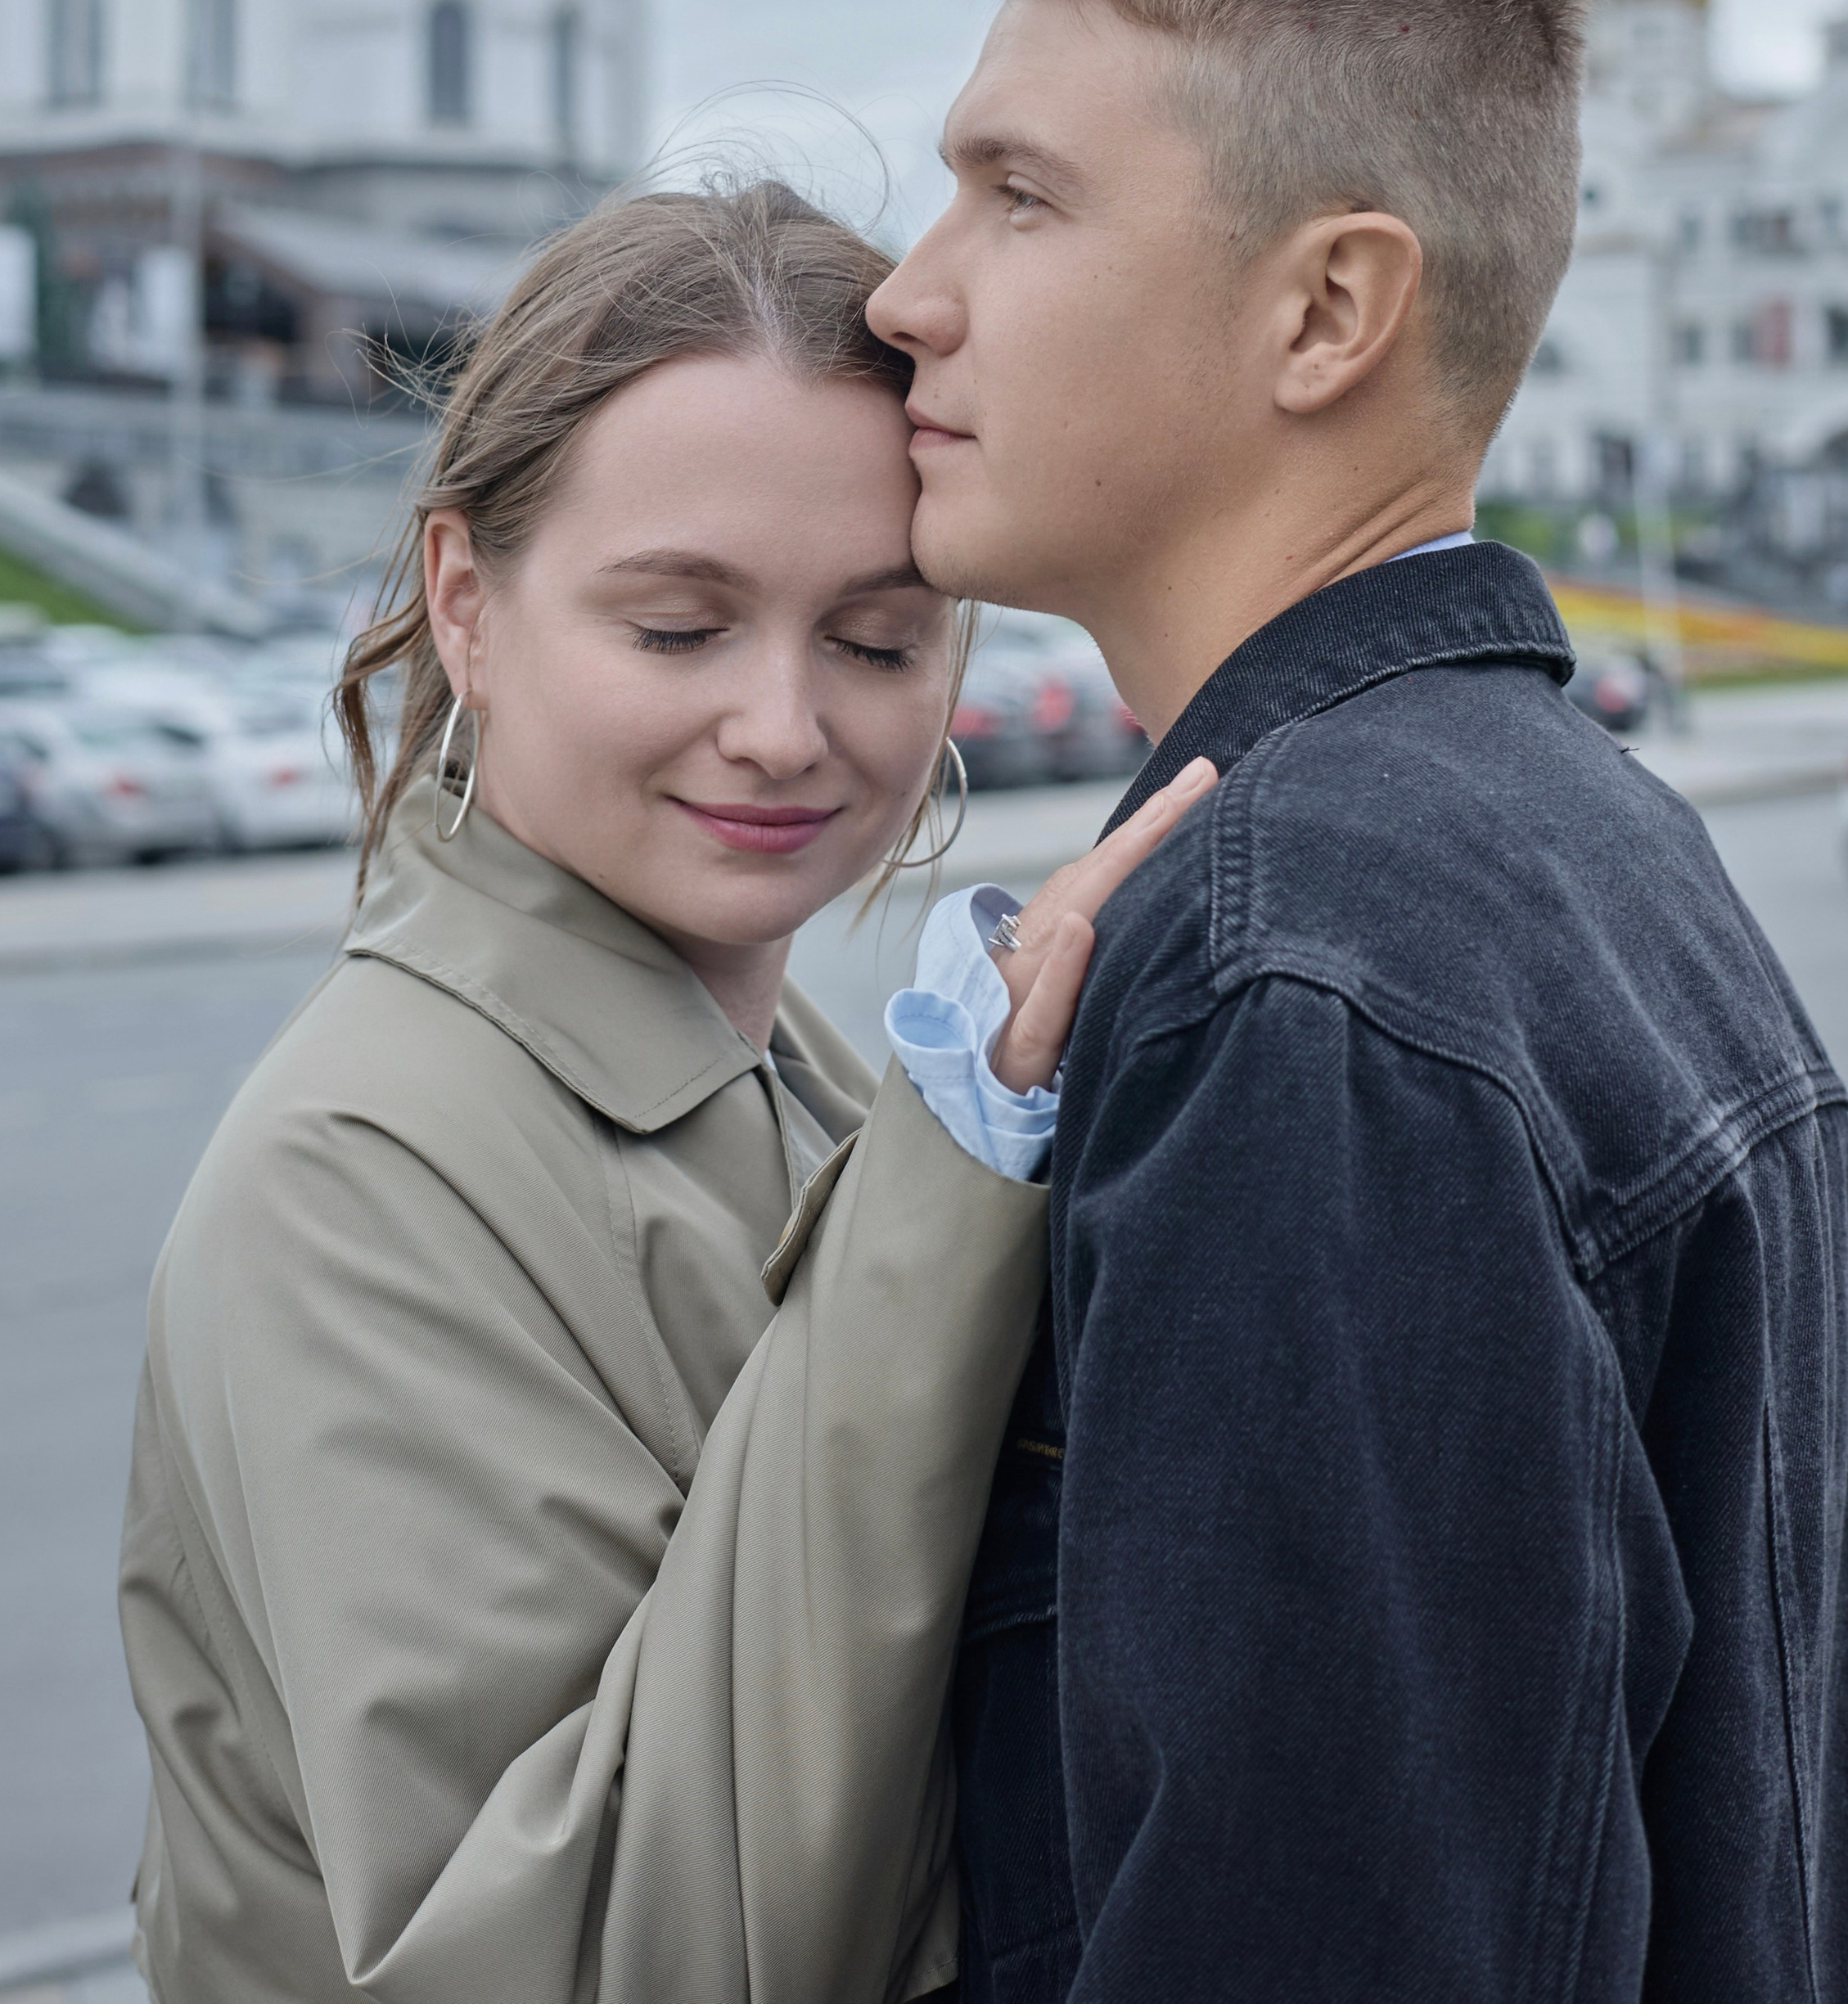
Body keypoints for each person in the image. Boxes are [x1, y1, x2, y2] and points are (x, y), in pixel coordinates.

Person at [868, 0, 1848, 2002]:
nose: (906, 289)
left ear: (1325, 309)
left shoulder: (1296, 963)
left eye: (1018, 197)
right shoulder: (1593, 842)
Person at [118, 179, 1213, 2004]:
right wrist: (951, 1192)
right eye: (677, 627)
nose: (785, 727)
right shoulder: (364, 1171)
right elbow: (583, 1956)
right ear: (467, 604)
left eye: (874, 639)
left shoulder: (785, 1070)